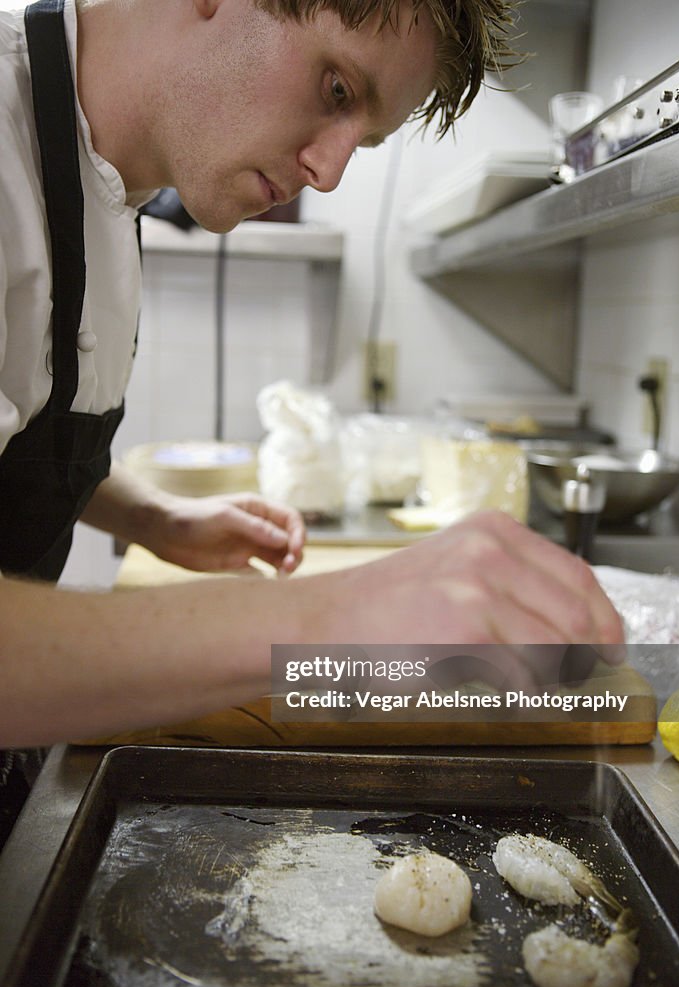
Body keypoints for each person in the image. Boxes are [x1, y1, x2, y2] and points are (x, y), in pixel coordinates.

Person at [0, 0, 624, 815]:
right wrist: (333, 614)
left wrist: (150, 517)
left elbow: (26, 408)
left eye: (361, 142)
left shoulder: (108, 181)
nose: (329, 173)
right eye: (335, 89)